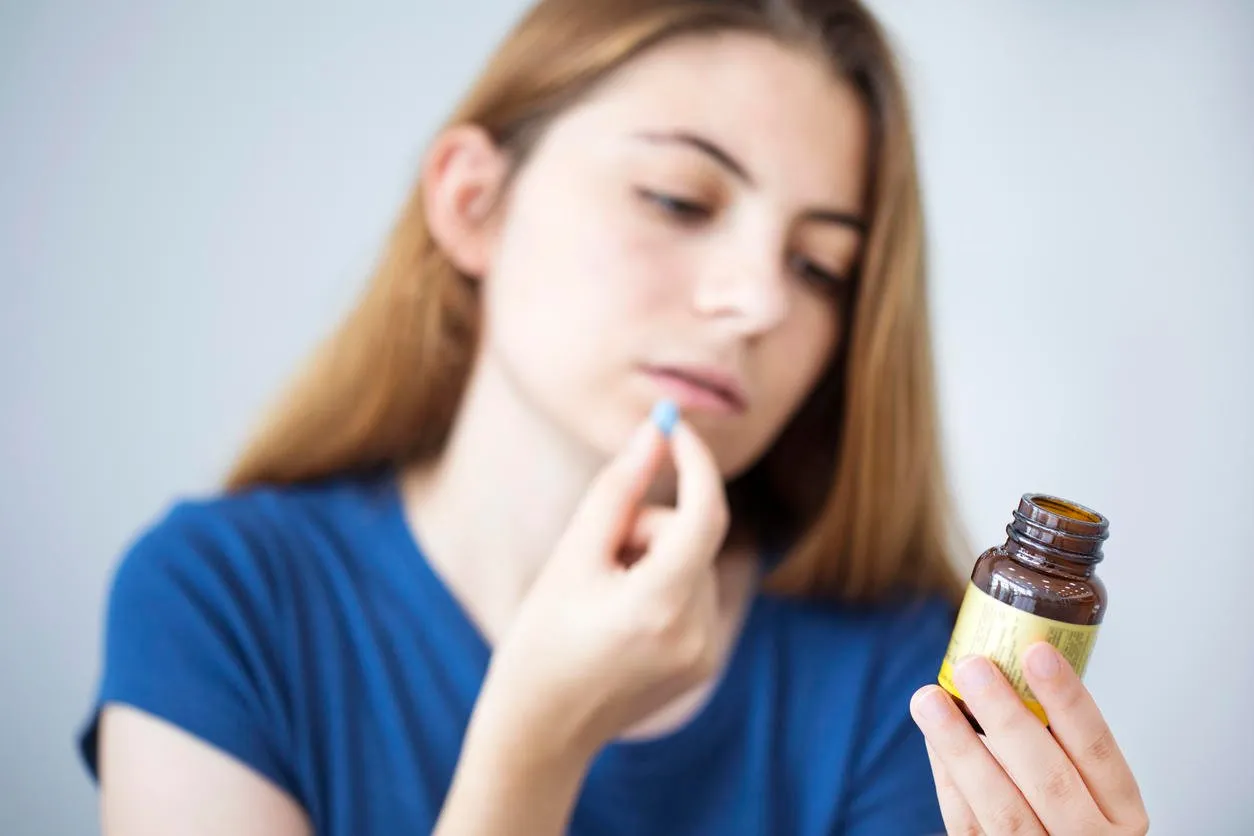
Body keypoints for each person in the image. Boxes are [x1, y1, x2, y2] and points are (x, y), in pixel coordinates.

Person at [78, 1, 1149, 833]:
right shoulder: (217, 600)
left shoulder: (901, 672)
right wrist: (533, 748)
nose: (762, 300)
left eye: (820, 266)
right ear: (472, 201)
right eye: (681, 200)